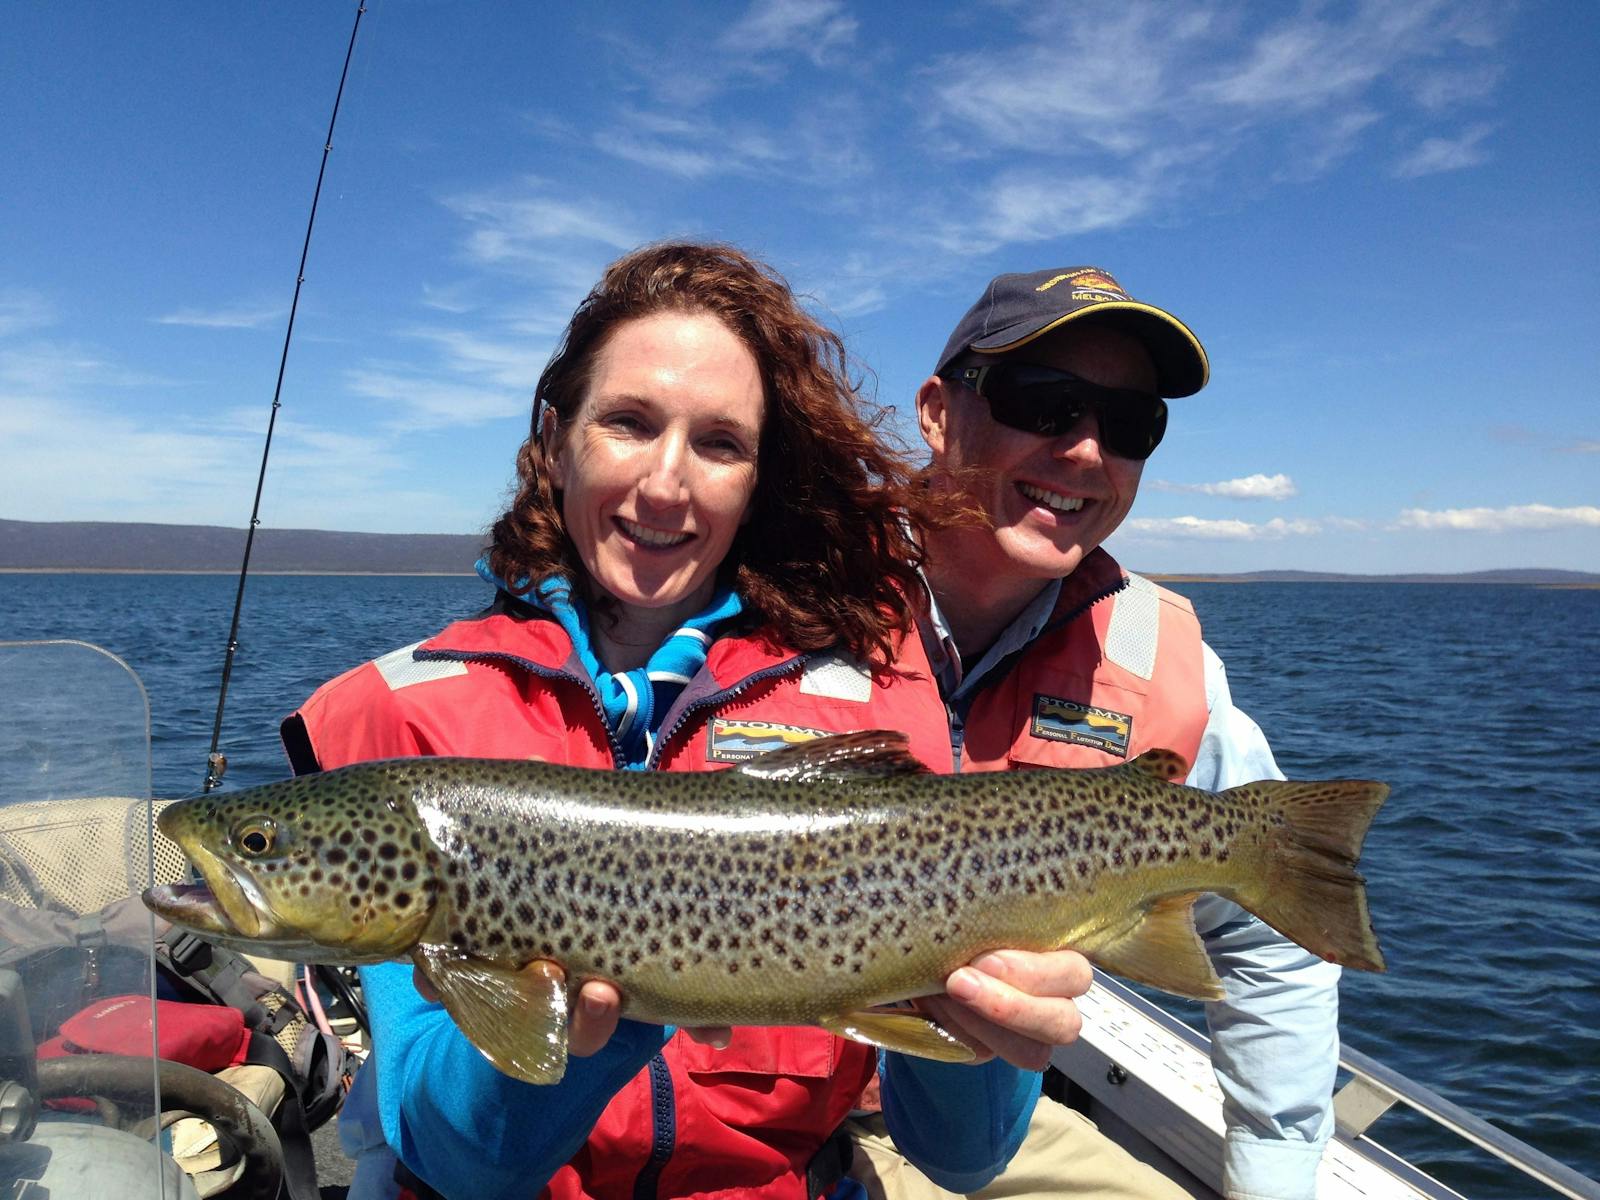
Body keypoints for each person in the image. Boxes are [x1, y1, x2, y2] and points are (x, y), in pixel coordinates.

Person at [279, 242, 1091, 1200]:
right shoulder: (408, 716)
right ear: (553, 437)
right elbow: (457, 1160)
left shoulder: (877, 695)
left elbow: (960, 1159)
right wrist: (608, 1012)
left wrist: (994, 1034)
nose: (666, 484)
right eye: (627, 422)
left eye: (719, 443)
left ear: (758, 477)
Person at [840, 267, 1343, 1200]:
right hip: (775, 1116)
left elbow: (1274, 935)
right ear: (937, 411)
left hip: (996, 1116)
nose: (1084, 451)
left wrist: (1274, 1172)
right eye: (1045, 403)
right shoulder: (784, 598)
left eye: (1129, 425)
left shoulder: (1164, 658)